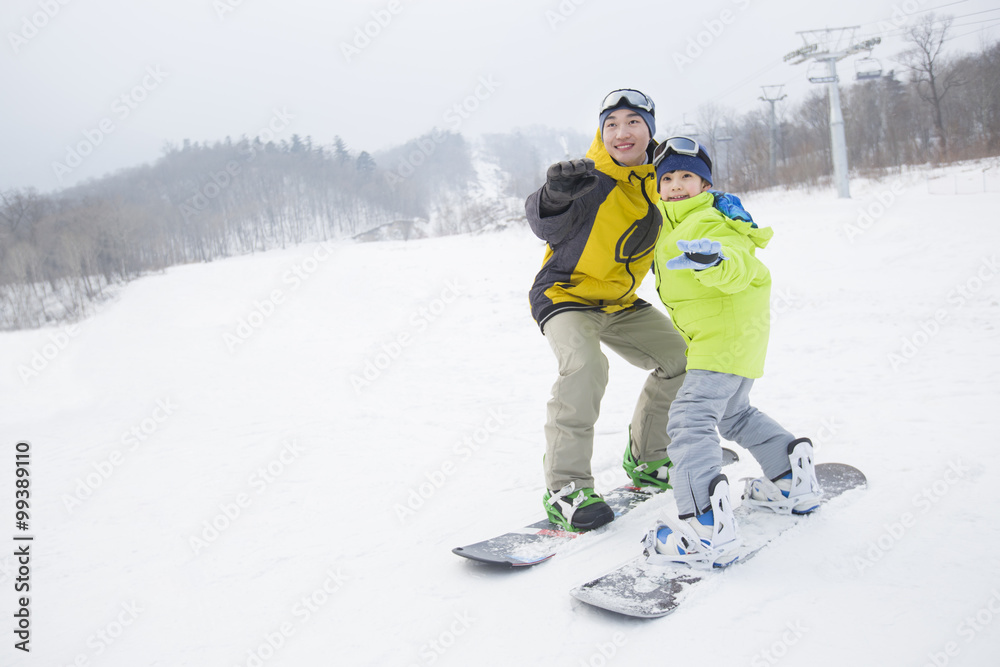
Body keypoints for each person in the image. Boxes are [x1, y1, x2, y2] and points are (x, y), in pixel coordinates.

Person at [526, 90, 744, 533]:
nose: (622, 133)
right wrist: (553, 196)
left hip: (621, 302)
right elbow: (545, 221)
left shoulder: (659, 183)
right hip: (567, 295)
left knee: (682, 360)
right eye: (611, 124)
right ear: (601, 132)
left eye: (633, 122)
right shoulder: (589, 178)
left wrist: (726, 215)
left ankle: (648, 458)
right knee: (585, 366)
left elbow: (692, 215)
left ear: (649, 130)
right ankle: (566, 488)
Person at [643, 136, 821, 567]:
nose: (677, 184)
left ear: (705, 184)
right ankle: (789, 478)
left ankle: (703, 524)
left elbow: (740, 263)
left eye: (688, 176)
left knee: (689, 419)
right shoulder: (673, 222)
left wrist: (716, 263)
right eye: (667, 177)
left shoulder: (708, 222)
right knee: (733, 413)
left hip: (721, 340)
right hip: (734, 338)